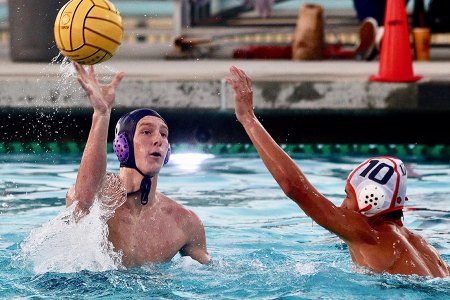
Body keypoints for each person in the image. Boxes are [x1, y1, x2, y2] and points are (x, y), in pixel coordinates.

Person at [226, 66, 450, 277]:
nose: (342, 205)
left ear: (371, 199)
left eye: (348, 195)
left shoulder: (367, 234)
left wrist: (248, 118)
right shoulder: (427, 249)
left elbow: (294, 187)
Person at [66, 62, 210, 267]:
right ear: (122, 144)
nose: (158, 139)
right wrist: (101, 114)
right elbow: (84, 197)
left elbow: (213, 274)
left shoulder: (185, 223)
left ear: (167, 152)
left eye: (164, 134)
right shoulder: (98, 199)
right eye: (146, 132)